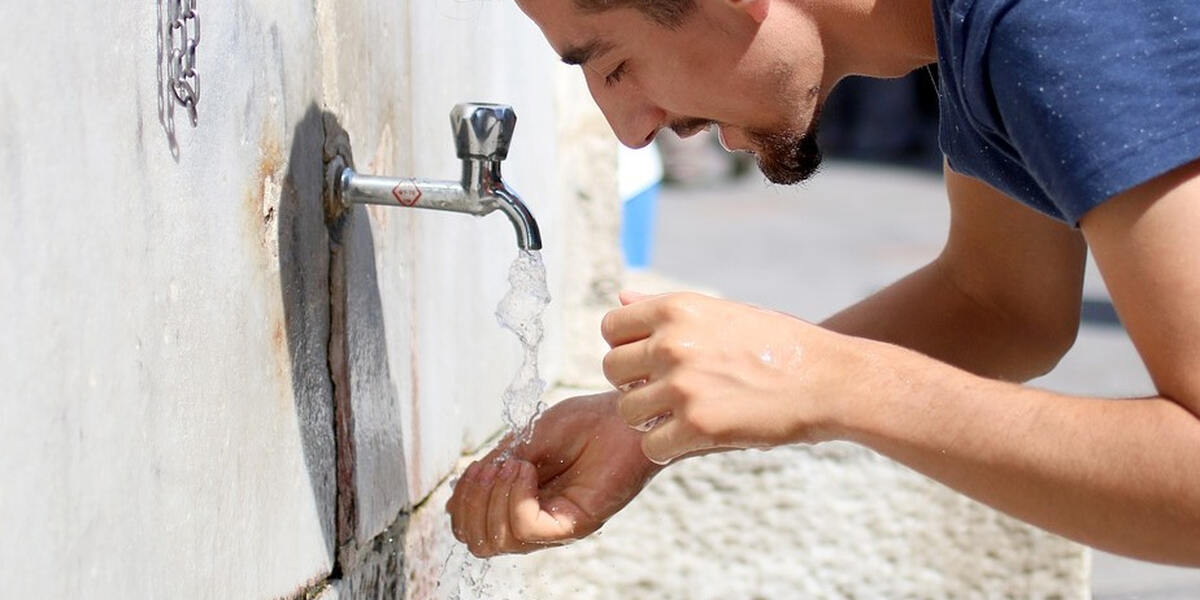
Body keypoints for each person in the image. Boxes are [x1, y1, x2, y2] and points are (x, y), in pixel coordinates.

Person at [446, 0, 1200, 566]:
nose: (631, 129)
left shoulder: (1056, 20)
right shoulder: (966, 30)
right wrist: (644, 423)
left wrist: (831, 383)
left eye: (614, 65)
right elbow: (1001, 303)